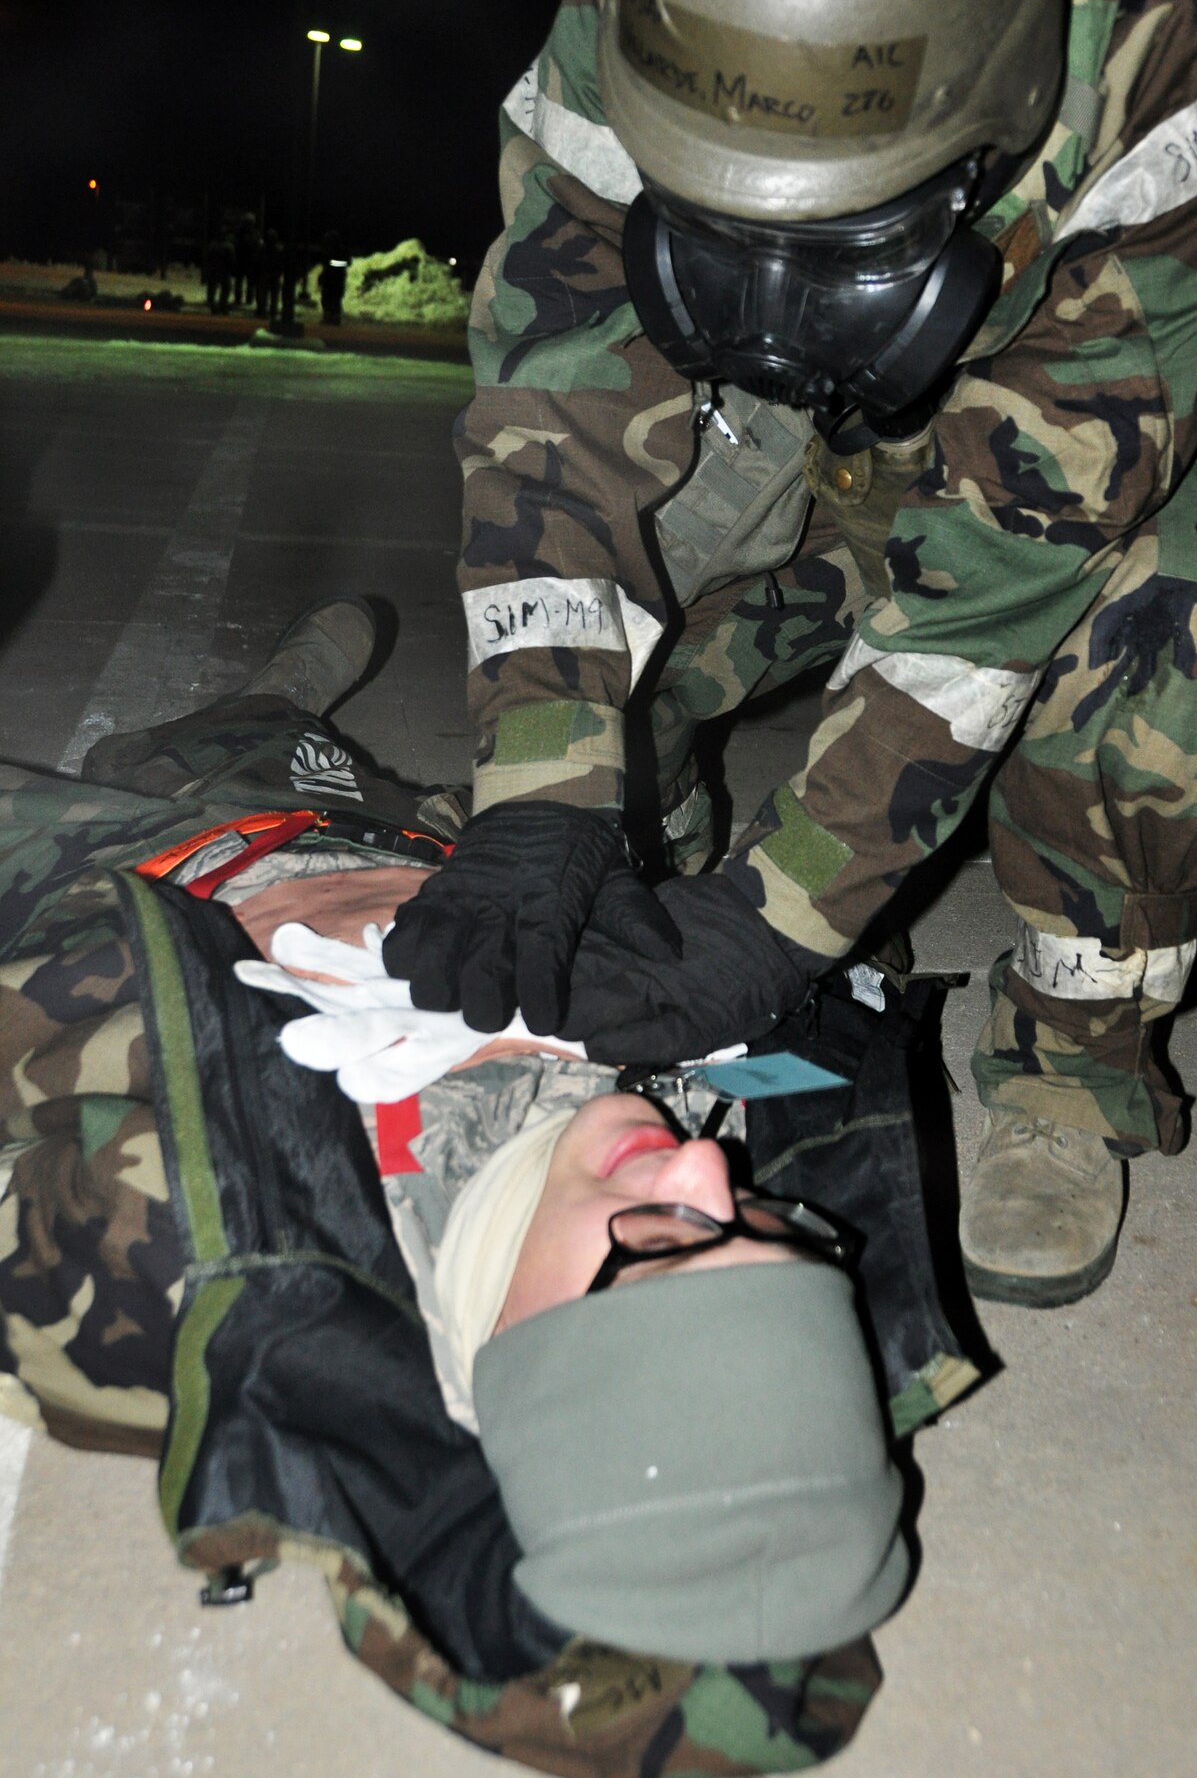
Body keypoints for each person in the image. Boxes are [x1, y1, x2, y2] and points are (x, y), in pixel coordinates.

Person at [384, 0, 1197, 1312]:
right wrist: (547, 795)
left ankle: (1075, 1069)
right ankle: (644, 830)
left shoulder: (1146, 38)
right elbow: (552, 416)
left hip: (1074, 447)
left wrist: (790, 909)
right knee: (599, 682)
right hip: (803, 443)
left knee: (1162, 690)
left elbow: (1011, 568)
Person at [0, 598, 972, 1774]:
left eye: (667, 1240)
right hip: (415, 833)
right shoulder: (730, 1122)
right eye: (766, 1224)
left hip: (117, 870)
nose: (705, 1163)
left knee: (150, 757)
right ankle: (290, 683)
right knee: (298, 740)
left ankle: (271, 690)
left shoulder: (158, 1233)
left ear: (518, 1360)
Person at [317, 228, 350, 324]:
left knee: (334, 299)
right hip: (329, 278)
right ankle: (329, 317)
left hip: (336, 278)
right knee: (327, 299)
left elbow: (347, 263)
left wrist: (333, 264)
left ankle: (334, 317)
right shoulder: (328, 251)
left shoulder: (341, 251)